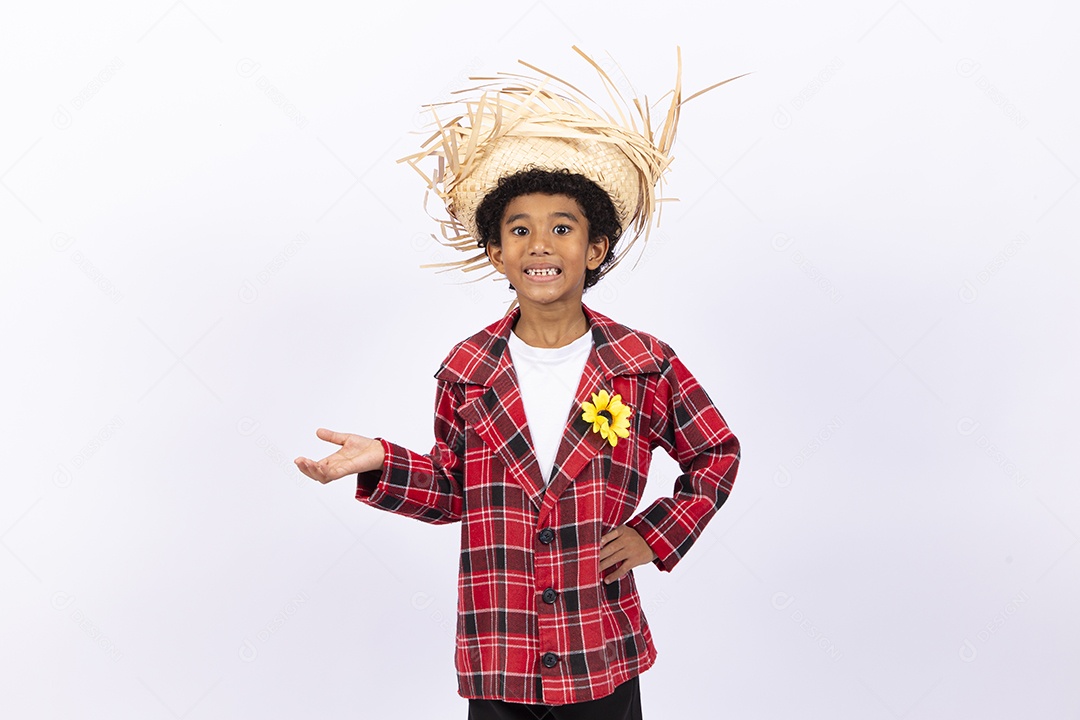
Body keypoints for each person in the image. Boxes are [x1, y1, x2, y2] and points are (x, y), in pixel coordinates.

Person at [294, 49, 742, 719]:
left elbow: (715, 454)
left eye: (563, 228)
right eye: (520, 230)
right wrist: (384, 461)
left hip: (598, 646)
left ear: (595, 249)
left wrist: (655, 535)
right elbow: (456, 489)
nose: (541, 244)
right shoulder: (468, 370)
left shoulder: (643, 363)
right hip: (499, 650)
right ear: (497, 252)